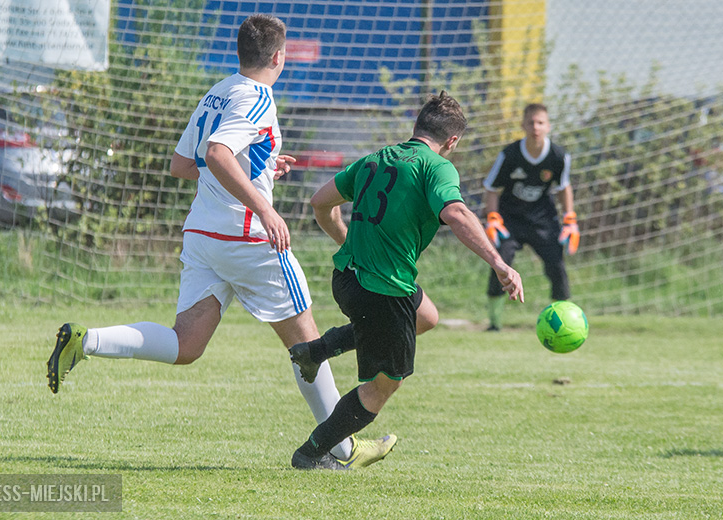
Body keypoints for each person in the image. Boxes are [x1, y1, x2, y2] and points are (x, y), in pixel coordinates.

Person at [45, 14, 393, 468]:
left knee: (185, 345)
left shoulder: (218, 91)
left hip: (204, 235)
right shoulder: (258, 97)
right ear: (278, 56)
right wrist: (264, 206)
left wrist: (262, 166)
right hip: (249, 239)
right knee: (308, 342)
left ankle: (85, 340)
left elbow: (182, 164)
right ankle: (340, 447)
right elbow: (215, 155)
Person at [287, 91, 525, 470]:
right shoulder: (437, 166)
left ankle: (316, 351)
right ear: (453, 141)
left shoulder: (375, 159)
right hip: (383, 291)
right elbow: (459, 215)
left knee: (426, 316)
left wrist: (348, 242)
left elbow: (319, 202)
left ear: (417, 127)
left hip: (346, 278)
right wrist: (499, 263)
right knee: (385, 384)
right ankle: (312, 453)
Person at [482, 103, 578, 331]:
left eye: (540, 122)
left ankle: (564, 321)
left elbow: (564, 187)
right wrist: (493, 217)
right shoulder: (509, 154)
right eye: (531, 122)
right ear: (523, 125)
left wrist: (570, 219)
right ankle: (494, 322)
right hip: (510, 219)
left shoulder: (559, 156)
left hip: (543, 219)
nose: (536, 127)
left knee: (556, 264)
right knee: (500, 263)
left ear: (548, 126)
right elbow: (491, 188)